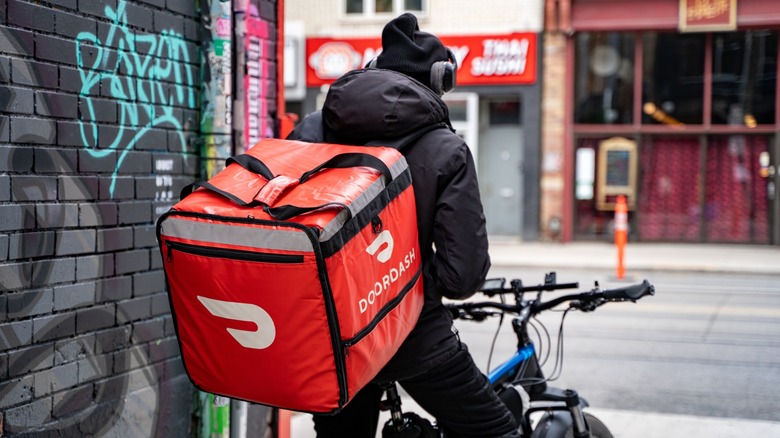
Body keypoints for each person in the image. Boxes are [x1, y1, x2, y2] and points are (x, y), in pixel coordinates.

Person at [287, 13, 520, 438]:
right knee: (496, 432)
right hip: (411, 336)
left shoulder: (311, 129)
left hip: (328, 336)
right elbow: (461, 276)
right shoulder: (446, 150)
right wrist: (404, 279)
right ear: (439, 81)